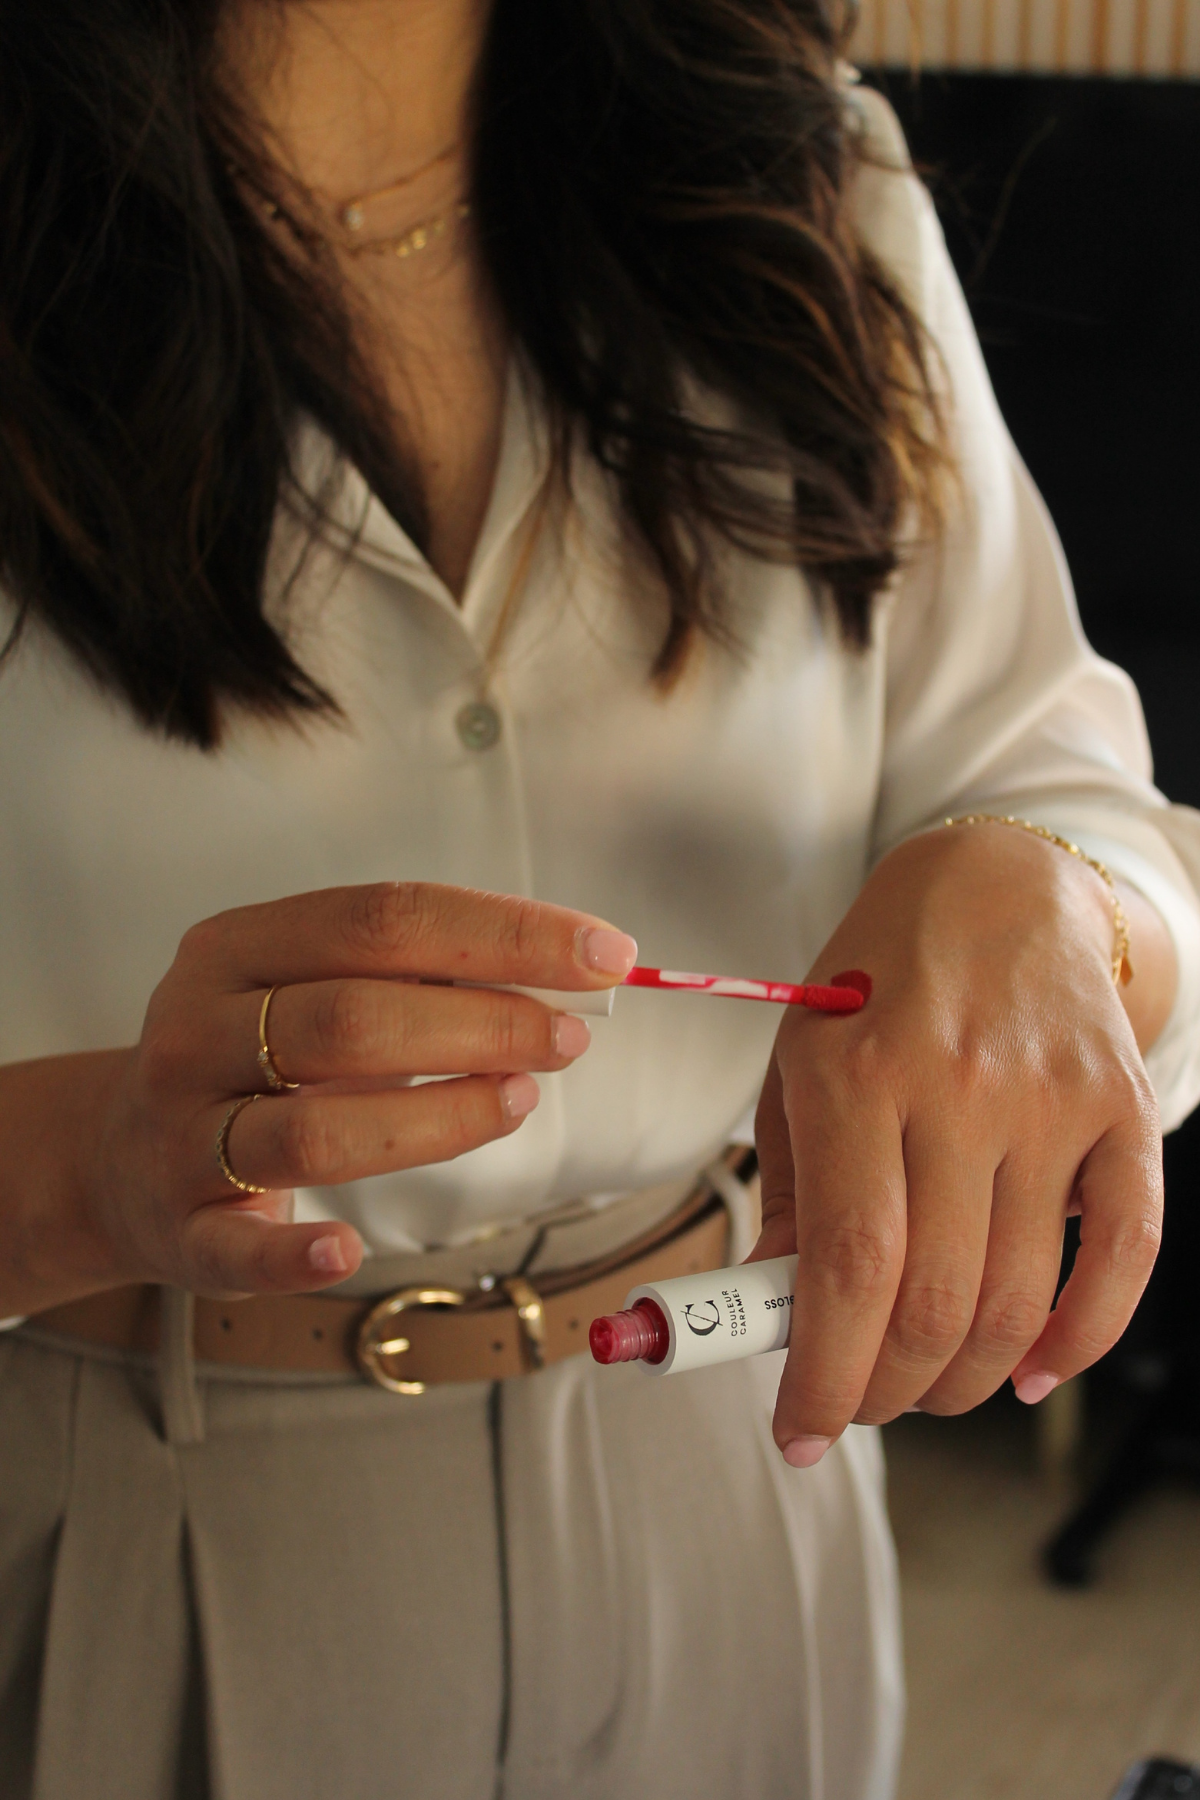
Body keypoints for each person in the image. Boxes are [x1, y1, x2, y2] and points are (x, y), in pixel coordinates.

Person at [1, 3, 1197, 1797]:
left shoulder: (815, 181)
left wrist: (1058, 900)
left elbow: (1081, 806)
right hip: (115, 1521)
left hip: (734, 1485)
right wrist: (86, 1167)